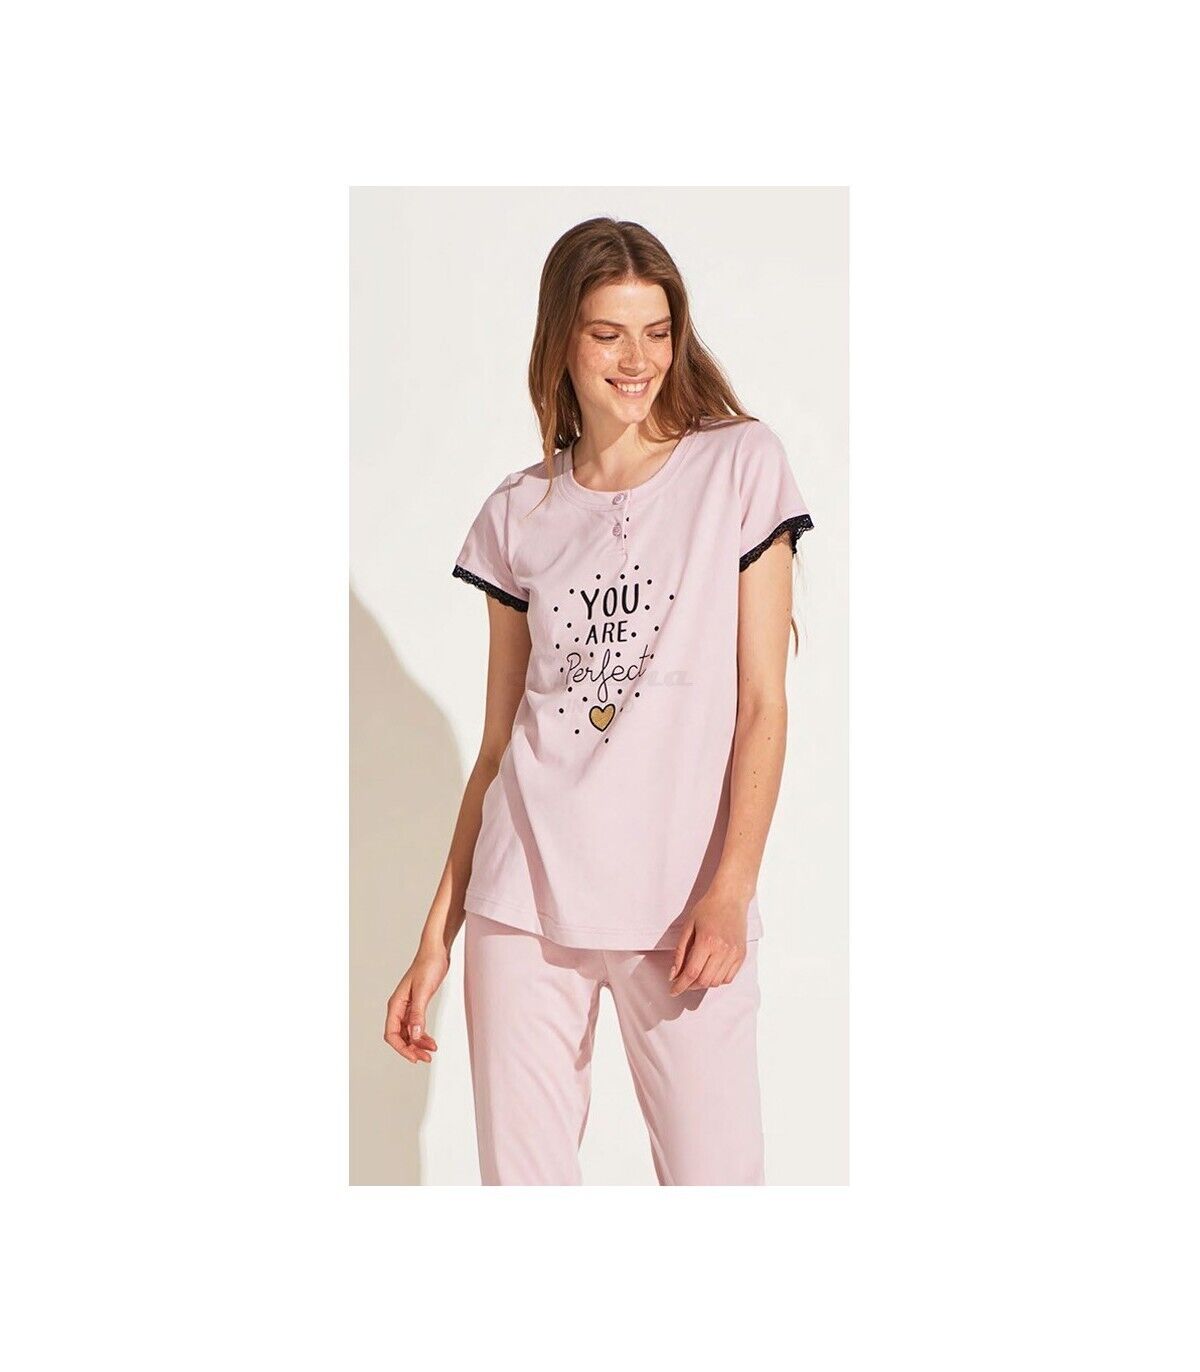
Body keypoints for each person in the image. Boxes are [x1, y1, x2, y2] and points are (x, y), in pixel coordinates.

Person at [384, 216, 815, 1185]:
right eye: (608, 334)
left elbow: (763, 703)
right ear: (562, 341)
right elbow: (500, 746)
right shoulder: (517, 512)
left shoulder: (739, 467)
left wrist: (732, 888)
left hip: (684, 907)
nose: (637, 360)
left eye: (656, 331)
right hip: (523, 901)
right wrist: (434, 939)